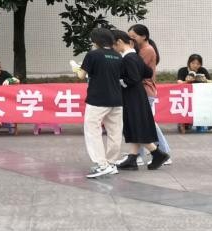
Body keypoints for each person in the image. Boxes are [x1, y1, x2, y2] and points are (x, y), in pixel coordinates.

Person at [112, 30, 170, 170]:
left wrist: (118, 81)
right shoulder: (135, 56)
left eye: (113, 45)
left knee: (136, 126)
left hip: (132, 97)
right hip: (138, 95)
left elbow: (132, 79)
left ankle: (157, 153)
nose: (113, 48)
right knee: (135, 125)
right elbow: (148, 72)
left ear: (119, 42)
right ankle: (132, 158)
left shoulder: (128, 58)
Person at [73, 27, 124, 178]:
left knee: (92, 131)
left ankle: (102, 164)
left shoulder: (93, 55)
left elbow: (81, 75)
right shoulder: (118, 56)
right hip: (117, 99)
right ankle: (111, 163)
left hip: (97, 99)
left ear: (96, 41)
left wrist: (76, 68)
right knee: (115, 132)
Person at [128, 24, 172, 165]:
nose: (131, 40)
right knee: (142, 123)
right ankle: (138, 156)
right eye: (129, 37)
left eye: (133, 37)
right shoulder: (142, 49)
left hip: (145, 91)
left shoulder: (146, 50)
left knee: (146, 124)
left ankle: (162, 152)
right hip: (143, 90)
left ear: (144, 36)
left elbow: (135, 69)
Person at [176, 54, 212, 133]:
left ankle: (205, 123)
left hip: (200, 95)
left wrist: (205, 80)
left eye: (198, 64)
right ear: (189, 63)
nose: (195, 65)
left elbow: (211, 81)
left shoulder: (202, 70)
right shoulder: (182, 70)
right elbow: (179, 82)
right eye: (193, 63)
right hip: (186, 95)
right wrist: (186, 81)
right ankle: (185, 123)